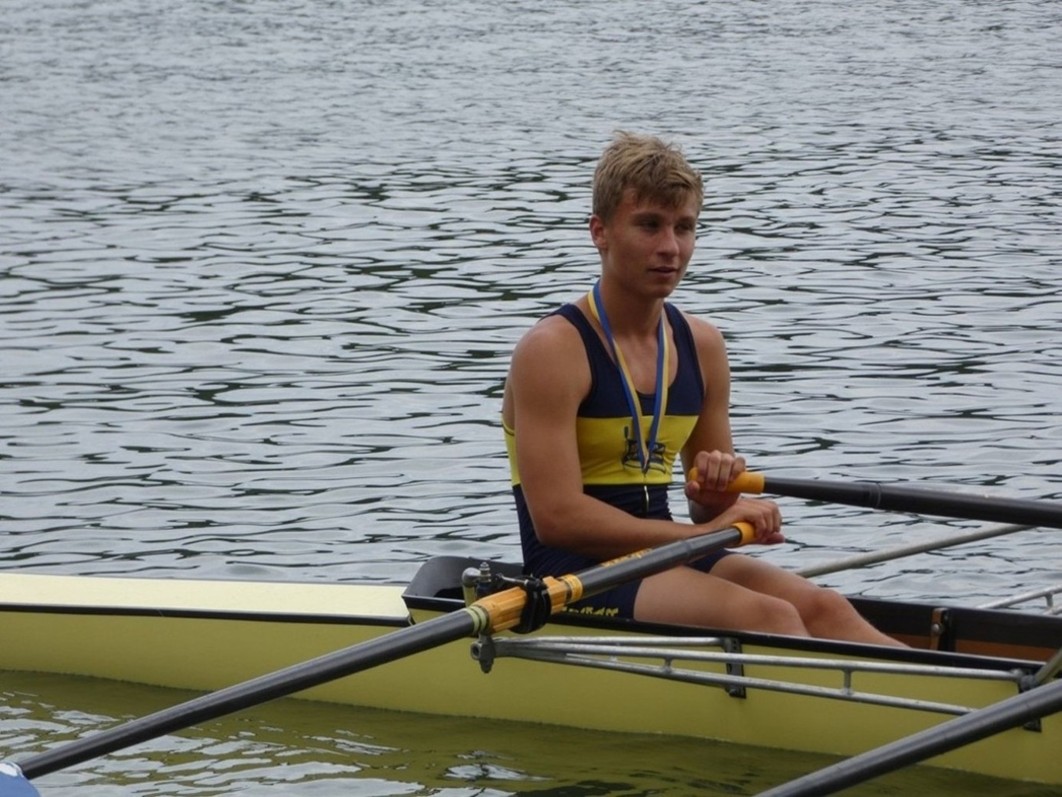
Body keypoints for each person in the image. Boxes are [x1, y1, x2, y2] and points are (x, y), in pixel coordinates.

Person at [501, 131, 901, 645]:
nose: (670, 248)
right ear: (600, 232)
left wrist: (715, 498)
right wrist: (700, 534)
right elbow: (558, 520)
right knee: (768, 616)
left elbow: (709, 510)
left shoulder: (701, 344)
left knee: (825, 607)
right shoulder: (553, 350)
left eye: (684, 227)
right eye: (649, 225)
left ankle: (956, 694)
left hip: (671, 550)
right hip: (572, 574)